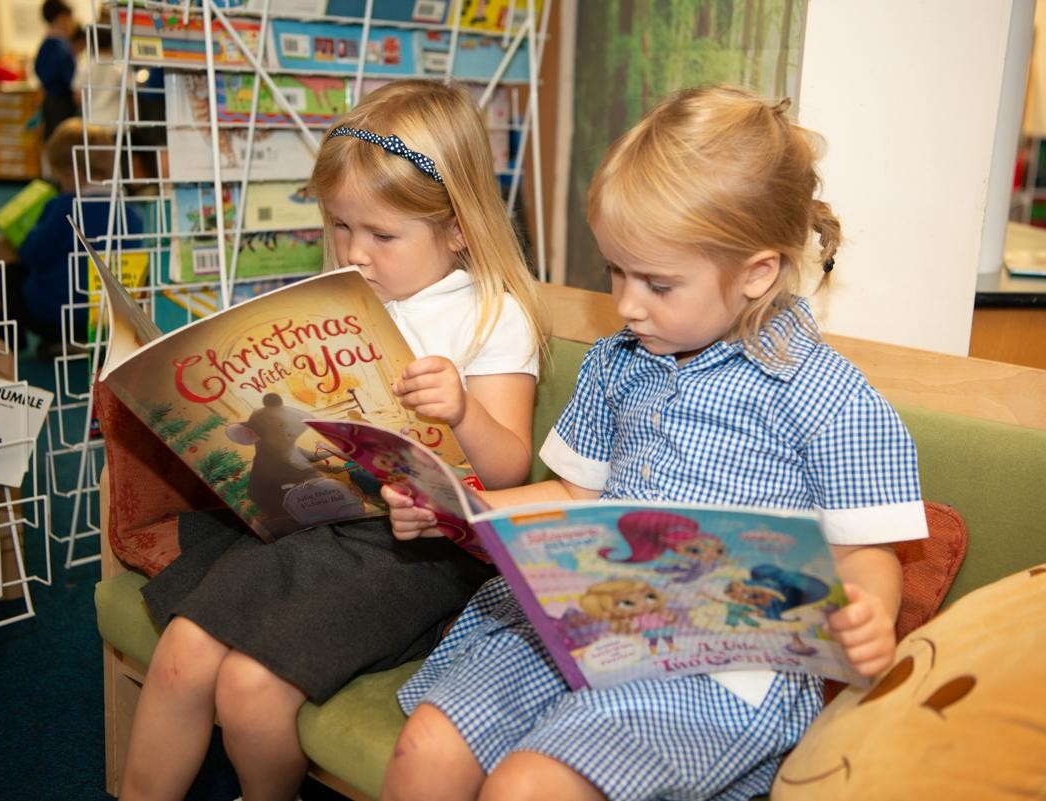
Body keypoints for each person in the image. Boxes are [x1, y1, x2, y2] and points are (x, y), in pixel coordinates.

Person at [380, 84, 930, 801]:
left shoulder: (829, 398)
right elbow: (575, 494)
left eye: (658, 283)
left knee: (529, 787)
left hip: (715, 671)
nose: (628, 303)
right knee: (427, 749)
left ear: (757, 272)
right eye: (616, 271)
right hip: (580, 619)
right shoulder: (619, 361)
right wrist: (461, 507)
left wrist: (868, 613)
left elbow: (865, 554)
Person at [118, 79, 546, 801]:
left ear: (457, 228)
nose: (356, 251)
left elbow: (509, 470)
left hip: (418, 554)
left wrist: (464, 411)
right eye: (342, 227)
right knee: (184, 656)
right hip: (317, 522)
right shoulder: (340, 299)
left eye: (382, 235)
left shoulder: (491, 317)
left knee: (252, 690)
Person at [5, 117, 140, 358]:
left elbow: (32, 254)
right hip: (109, 319)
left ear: (72, 173)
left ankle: (10, 342)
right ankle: (86, 340)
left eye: (60, 178)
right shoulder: (131, 213)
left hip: (54, 316)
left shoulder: (62, 207)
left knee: (7, 261)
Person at [35, 0, 78, 140]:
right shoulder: (58, 45)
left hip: (53, 100)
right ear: (60, 18)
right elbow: (68, 75)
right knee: (61, 142)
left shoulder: (49, 43)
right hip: (60, 103)